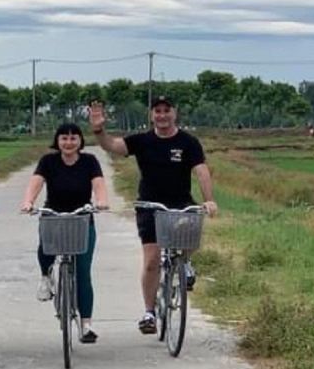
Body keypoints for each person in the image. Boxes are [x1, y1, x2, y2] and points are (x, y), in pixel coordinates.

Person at [89, 96, 217, 335]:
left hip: (180, 203)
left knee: (191, 237)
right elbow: (112, 146)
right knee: (152, 261)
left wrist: (209, 199)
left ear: (174, 113)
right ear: (152, 116)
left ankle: (185, 262)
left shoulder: (188, 142)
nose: (162, 115)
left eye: (166, 110)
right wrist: (98, 130)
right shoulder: (142, 141)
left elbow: (201, 171)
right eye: (157, 111)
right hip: (149, 205)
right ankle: (149, 312)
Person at [20, 123, 109, 343]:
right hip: (54, 215)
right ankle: (45, 276)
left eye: (73, 138)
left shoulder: (89, 161)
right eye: (64, 138)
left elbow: (98, 184)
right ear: (57, 141)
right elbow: (36, 182)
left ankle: (86, 324)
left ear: (80, 141)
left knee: (83, 271)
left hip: (81, 218)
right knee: (45, 246)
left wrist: (102, 201)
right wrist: (28, 201)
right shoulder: (48, 161)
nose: (68, 143)